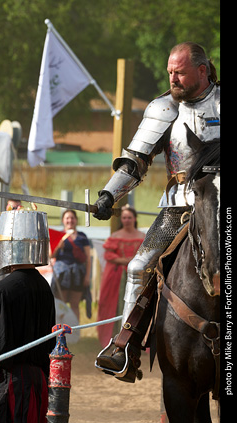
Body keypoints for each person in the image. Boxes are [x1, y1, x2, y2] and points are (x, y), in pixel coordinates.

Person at [94, 42, 220, 382]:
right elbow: (135, 160)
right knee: (138, 267)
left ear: (203, 71)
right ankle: (125, 349)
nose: (172, 78)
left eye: (179, 72)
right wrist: (109, 194)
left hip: (225, 206)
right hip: (178, 208)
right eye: (170, 72)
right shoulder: (164, 108)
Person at [0, 209, 55, 423]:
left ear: (9, 245)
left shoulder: (3, 290)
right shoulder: (44, 286)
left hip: (13, 388)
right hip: (38, 384)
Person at [97, 205, 145, 348]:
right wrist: (125, 261)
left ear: (134, 219)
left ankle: (137, 338)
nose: (127, 220)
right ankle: (115, 335)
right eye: (124, 217)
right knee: (116, 304)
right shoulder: (116, 236)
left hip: (138, 275)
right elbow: (108, 255)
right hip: (117, 276)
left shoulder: (142, 236)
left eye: (129, 217)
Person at [50, 209, 91, 321]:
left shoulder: (82, 237)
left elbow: (88, 258)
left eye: (72, 218)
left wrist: (87, 276)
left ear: (76, 220)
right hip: (62, 273)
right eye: (67, 218)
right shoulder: (59, 235)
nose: (70, 220)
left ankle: (74, 333)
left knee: (74, 304)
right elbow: (51, 255)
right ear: (63, 220)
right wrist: (59, 245)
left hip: (77, 274)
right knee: (60, 303)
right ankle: (60, 331)